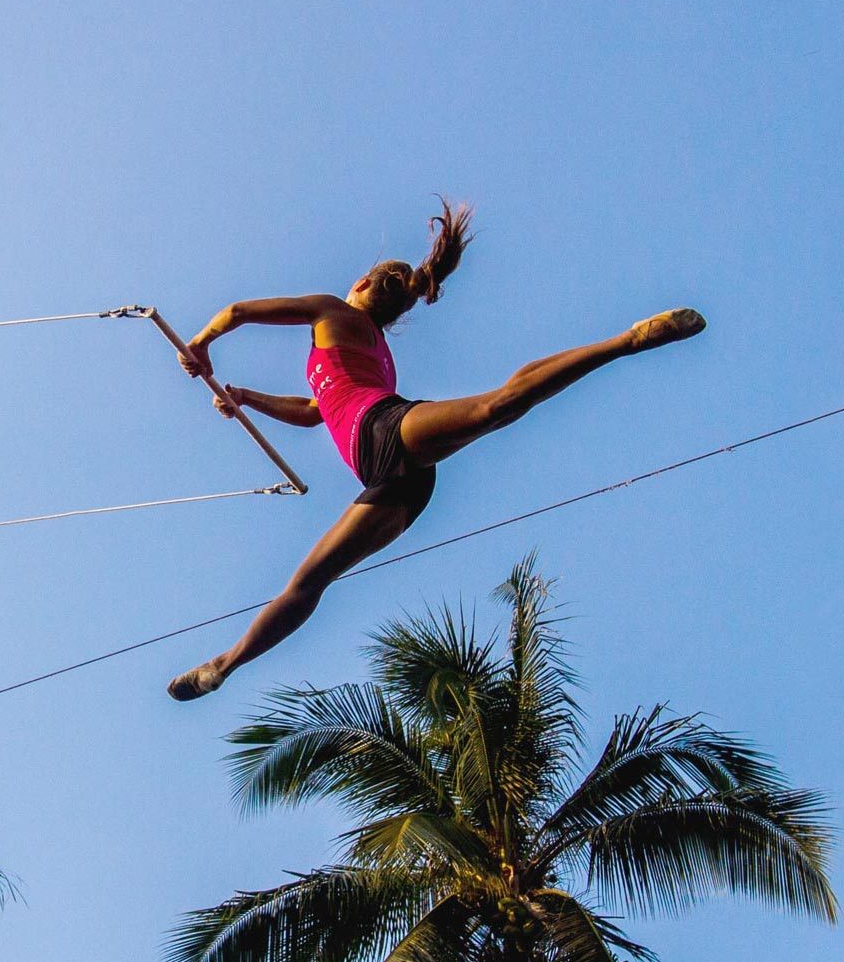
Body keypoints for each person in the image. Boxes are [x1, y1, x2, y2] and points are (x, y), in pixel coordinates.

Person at [166, 200, 704, 700]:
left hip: (386, 431)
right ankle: (223, 666)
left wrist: (201, 344)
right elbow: (314, 411)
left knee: (495, 408)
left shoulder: (331, 311)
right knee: (312, 579)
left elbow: (236, 310)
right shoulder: (368, 349)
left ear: (360, 284)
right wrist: (244, 397)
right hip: (393, 477)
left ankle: (627, 341)